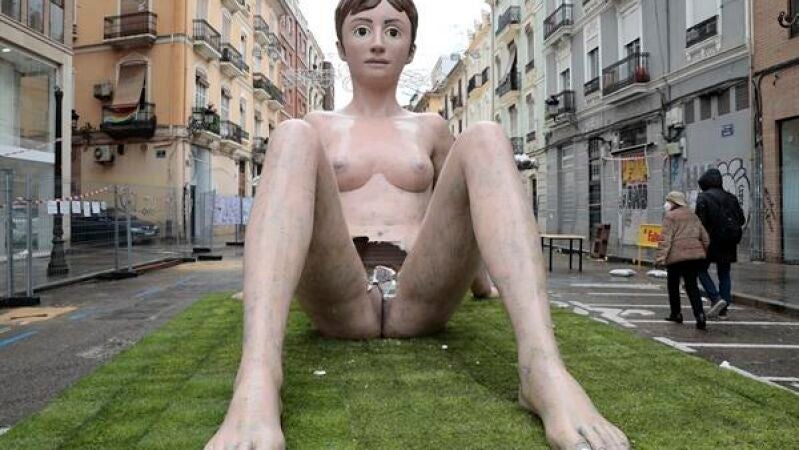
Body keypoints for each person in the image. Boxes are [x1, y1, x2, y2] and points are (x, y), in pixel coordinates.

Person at [205, 1, 629, 449]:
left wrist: (482, 285)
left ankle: (542, 368)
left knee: (485, 136)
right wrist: (263, 286)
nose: (377, 43)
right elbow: (289, 212)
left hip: (418, 293)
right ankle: (258, 375)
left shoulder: (431, 128)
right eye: (362, 30)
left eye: (393, 31)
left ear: (410, 48)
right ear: (341, 46)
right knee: (291, 134)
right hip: (339, 294)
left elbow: (463, 210)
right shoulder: (318, 126)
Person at [695, 168, 746, 318]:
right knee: (724, 273)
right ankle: (724, 308)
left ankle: (716, 298)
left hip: (710, 241)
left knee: (700, 269)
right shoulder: (731, 198)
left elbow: (700, 222)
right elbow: (741, 219)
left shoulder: (703, 198)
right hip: (728, 241)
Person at [656, 191, 710, 330]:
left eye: (668, 201)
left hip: (676, 257)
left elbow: (665, 240)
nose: (666, 204)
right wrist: (703, 251)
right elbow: (705, 237)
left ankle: (676, 313)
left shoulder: (670, 216)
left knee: (673, 285)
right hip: (693, 257)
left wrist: (661, 258)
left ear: (673, 202)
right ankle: (700, 315)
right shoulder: (693, 215)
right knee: (692, 286)